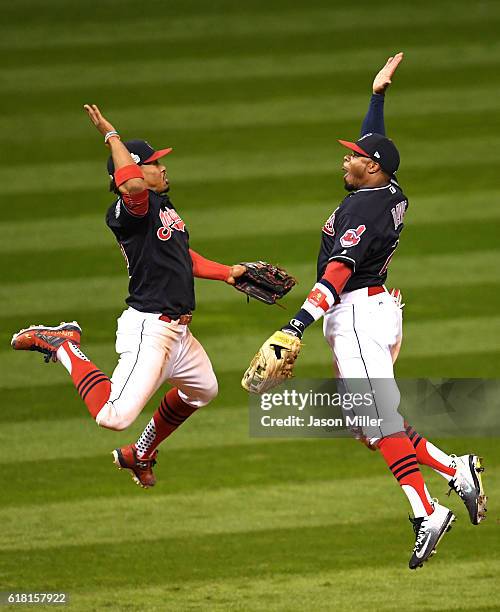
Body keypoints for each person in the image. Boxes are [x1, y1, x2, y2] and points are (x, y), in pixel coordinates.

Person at [275, 53, 487, 569]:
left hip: (357, 317)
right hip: (372, 311)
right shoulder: (386, 190)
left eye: (352, 156)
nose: (344, 159)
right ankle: (455, 468)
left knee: (378, 421)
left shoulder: (362, 208)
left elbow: (338, 272)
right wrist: (377, 96)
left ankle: (426, 511)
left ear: (371, 168)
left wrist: (295, 324)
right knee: (371, 427)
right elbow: (377, 148)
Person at [11, 105, 248, 489]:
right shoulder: (132, 210)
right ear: (136, 171)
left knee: (203, 390)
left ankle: (140, 452)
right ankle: (62, 345)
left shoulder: (162, 206)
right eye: (154, 163)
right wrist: (111, 135)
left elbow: (181, 257)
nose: (163, 168)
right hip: (150, 330)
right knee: (112, 416)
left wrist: (228, 274)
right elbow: (132, 185)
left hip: (180, 335)